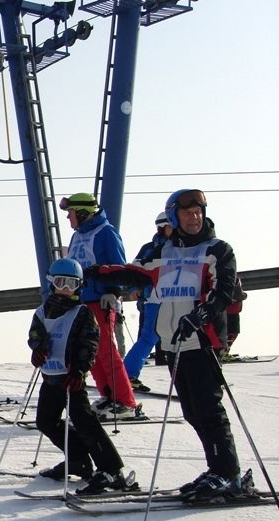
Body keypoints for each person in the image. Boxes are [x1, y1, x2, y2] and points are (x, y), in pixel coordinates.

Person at [87, 189, 246, 501]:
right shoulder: (164, 252)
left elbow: (223, 291)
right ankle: (217, 469)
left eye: (198, 212)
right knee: (192, 412)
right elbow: (134, 272)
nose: (194, 217)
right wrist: (93, 273)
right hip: (174, 343)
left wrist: (200, 316)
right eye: (187, 213)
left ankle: (228, 474)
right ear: (175, 216)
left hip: (202, 340)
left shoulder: (217, 250)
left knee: (209, 410)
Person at [29, 259, 139, 493]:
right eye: (61, 282)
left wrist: (80, 369)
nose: (66, 288)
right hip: (50, 378)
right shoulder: (41, 312)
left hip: (71, 380)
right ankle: (78, 459)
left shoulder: (82, 313)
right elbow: (35, 336)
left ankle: (112, 470)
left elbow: (89, 344)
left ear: (79, 286)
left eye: (72, 284)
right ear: (51, 282)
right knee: (46, 422)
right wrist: (37, 350)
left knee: (85, 423)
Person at [60, 193, 140, 418]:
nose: (68, 217)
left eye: (71, 213)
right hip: (80, 301)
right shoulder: (77, 236)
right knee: (89, 352)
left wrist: (113, 291)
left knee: (106, 351)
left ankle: (125, 401)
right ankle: (108, 395)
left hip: (100, 300)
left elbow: (118, 266)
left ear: (83, 213)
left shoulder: (106, 232)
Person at [123, 212, 172, 392]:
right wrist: (134, 289)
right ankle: (127, 374)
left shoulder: (183, 246)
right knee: (150, 336)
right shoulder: (150, 249)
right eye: (171, 226)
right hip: (155, 297)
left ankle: (198, 377)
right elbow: (134, 271)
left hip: (178, 298)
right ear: (162, 228)